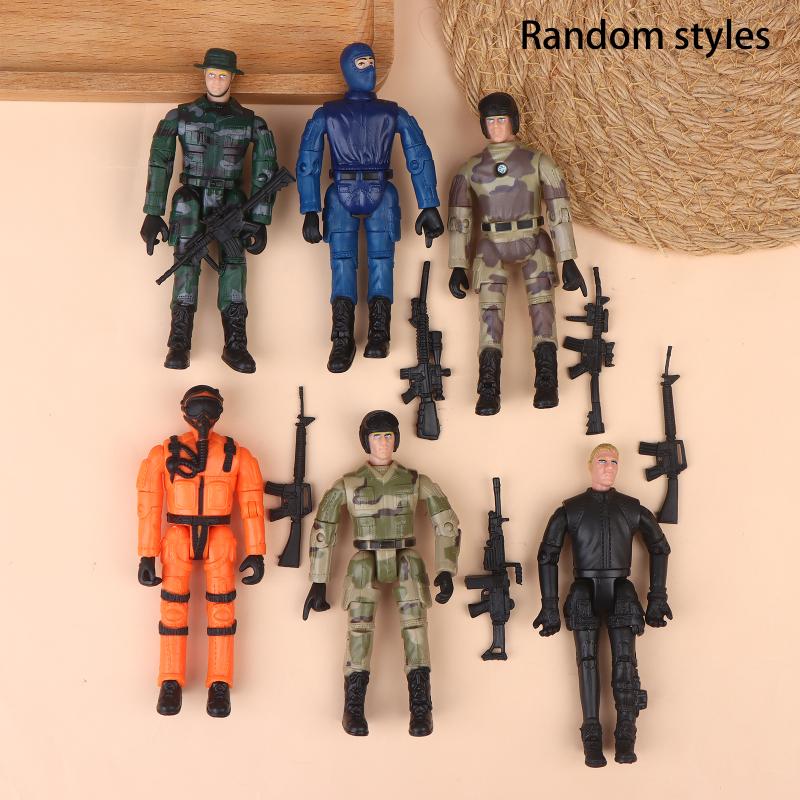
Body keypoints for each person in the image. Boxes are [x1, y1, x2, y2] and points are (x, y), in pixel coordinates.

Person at [302, 410, 460, 736]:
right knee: (359, 630)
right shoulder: (348, 484)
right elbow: (323, 530)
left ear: (396, 440)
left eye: (389, 436)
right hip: (365, 559)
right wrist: (318, 581)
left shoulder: (414, 480)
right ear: (366, 442)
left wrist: (445, 569)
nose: (383, 443)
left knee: (416, 628)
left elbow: (446, 522)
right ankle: (353, 707)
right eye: (377, 437)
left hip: (406, 558)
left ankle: (421, 707)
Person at [296, 42, 444, 373]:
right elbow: (308, 161)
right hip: (341, 190)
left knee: (381, 262)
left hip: (381, 188)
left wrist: (429, 204)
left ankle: (380, 332)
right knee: (342, 264)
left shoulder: (392, 112)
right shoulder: (328, 114)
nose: (370, 69)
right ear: (347, 69)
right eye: (361, 63)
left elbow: (418, 155)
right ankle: (342, 337)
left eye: (371, 62)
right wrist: (309, 209)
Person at [533, 444, 673, 766]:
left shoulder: (630, 508)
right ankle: (591, 734)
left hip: (622, 589)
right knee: (587, 662)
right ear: (590, 465)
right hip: (583, 588)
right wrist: (549, 605)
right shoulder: (571, 510)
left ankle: (626, 733)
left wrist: (657, 597)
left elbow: (660, 547)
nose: (609, 467)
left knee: (625, 662)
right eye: (602, 460)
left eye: (614, 461)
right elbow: (547, 555)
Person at [447, 92, 587, 414]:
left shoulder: (538, 162)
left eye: (502, 119)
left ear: (514, 122)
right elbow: (459, 220)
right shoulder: (470, 170)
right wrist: (457, 265)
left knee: (543, 310)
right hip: (491, 245)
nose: (496, 126)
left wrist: (567, 259)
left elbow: (559, 211)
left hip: (532, 239)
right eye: (490, 121)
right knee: (489, 315)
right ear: (483, 125)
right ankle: (488, 386)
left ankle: (547, 381)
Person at [140, 48, 277, 372]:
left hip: (231, 200)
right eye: (211, 74)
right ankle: (179, 342)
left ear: (232, 78)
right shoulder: (181, 116)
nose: (216, 80)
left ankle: (235, 344)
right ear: (204, 75)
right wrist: (153, 212)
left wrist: (259, 219)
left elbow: (266, 167)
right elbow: (160, 161)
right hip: (191, 196)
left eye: (222, 75)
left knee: (234, 266)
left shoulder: (250, 121)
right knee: (186, 264)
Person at [136, 385, 266, 717]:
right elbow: (149, 504)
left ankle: (219, 682)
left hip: (219, 536)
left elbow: (251, 504)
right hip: (178, 537)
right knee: (172, 610)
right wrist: (147, 553)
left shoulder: (237, 455)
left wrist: (256, 550)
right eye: (196, 410)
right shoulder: (165, 454)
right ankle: (170, 679)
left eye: (209, 409)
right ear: (184, 412)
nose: (203, 418)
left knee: (222, 612)